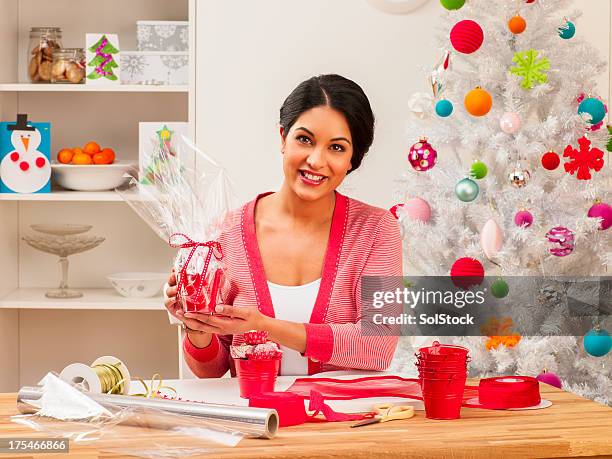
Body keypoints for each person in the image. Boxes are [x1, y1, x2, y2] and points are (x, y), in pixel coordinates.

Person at [164, 74, 403, 377]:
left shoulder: (378, 230)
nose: (316, 160)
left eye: (337, 148)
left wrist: (263, 326)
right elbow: (211, 372)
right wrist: (197, 328)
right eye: (305, 139)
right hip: (258, 420)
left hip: (344, 420)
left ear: (352, 159)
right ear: (282, 138)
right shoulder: (222, 233)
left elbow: (378, 345)